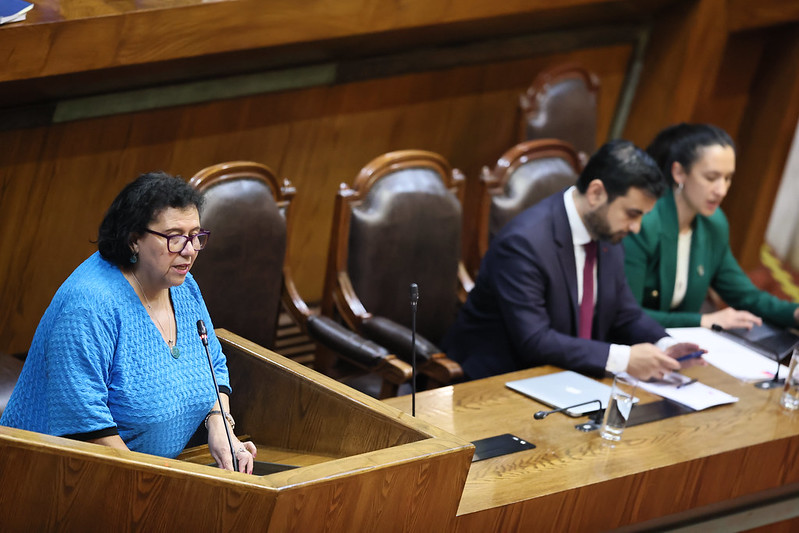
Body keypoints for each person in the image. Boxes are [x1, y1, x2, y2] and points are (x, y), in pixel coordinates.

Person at [0, 172, 257, 473]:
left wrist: (220, 423)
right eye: (175, 237)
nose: (188, 250)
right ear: (134, 239)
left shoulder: (183, 287)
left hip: (153, 477)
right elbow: (86, 428)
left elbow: (212, 365)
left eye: (196, 236)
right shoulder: (89, 306)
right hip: (56, 482)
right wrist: (157, 488)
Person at [443, 140, 700, 381]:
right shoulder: (524, 244)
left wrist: (665, 344)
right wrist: (624, 359)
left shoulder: (606, 232)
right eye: (632, 214)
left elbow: (624, 312)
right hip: (500, 381)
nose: (636, 227)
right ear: (596, 193)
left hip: (569, 378)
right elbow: (535, 341)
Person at [623, 123, 799, 329]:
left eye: (727, 178)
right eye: (711, 178)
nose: (722, 190)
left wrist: (794, 313)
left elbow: (744, 295)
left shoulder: (713, 223)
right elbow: (626, 316)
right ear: (679, 173)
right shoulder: (644, 222)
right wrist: (702, 321)